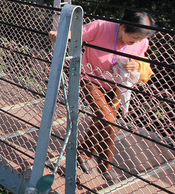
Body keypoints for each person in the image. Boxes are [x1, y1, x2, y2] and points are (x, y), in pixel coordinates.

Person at [50, 10, 154, 183]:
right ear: (123, 27)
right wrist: (61, 35)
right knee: (108, 121)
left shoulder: (142, 42)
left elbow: (142, 60)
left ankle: (81, 153)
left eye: (138, 40)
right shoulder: (101, 26)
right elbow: (77, 35)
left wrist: (136, 64)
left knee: (102, 121)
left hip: (116, 85)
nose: (135, 42)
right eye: (133, 38)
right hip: (90, 79)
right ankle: (105, 166)